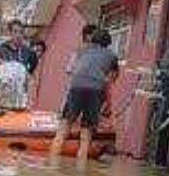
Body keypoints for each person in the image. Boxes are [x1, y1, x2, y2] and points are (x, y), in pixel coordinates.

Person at [51, 28, 119, 165]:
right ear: (108, 43)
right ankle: (80, 170)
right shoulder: (111, 56)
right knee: (86, 134)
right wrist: (107, 104)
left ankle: (51, 163)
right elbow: (110, 80)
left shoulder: (82, 51)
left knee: (63, 129)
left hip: (76, 87)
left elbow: (74, 72)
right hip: (95, 90)